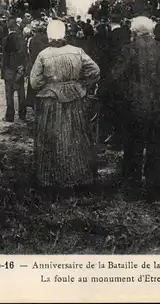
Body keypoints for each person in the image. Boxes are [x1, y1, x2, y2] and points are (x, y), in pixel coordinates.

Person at [30, 20, 100, 196]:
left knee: (51, 139)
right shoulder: (77, 51)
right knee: (77, 138)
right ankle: (80, 178)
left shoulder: (44, 55)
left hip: (51, 101)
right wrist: (81, 85)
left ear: (48, 35)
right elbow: (95, 71)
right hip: (75, 99)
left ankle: (51, 181)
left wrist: (48, 86)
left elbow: (34, 82)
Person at [110, 16, 160, 203]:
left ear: (134, 32)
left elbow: (116, 78)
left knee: (133, 150)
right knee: (157, 151)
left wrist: (125, 98)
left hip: (136, 109)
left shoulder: (129, 50)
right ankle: (154, 192)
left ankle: (132, 191)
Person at [1, 18, 27, 122]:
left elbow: (4, 58)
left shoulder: (5, 40)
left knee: (9, 94)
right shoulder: (21, 39)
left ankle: (10, 116)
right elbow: (24, 55)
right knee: (21, 93)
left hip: (8, 70)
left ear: (8, 28)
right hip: (19, 69)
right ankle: (22, 114)